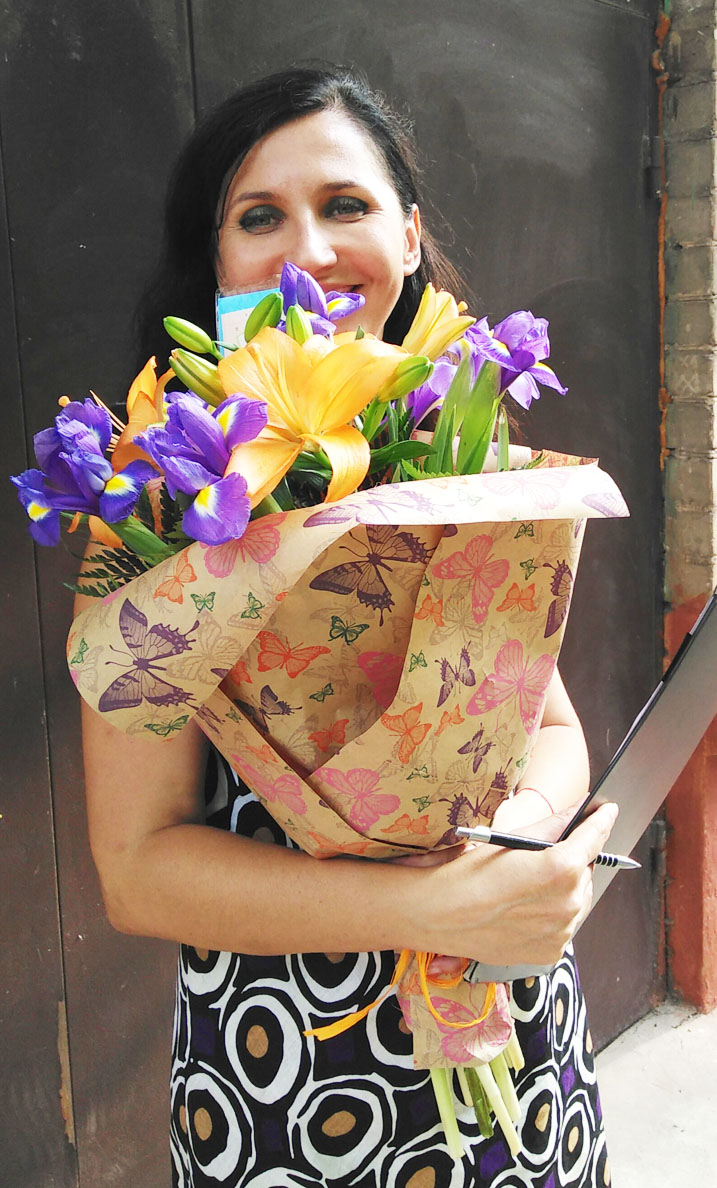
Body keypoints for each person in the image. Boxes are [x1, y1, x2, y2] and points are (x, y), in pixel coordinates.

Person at [77, 66, 618, 1187]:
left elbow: (552, 729)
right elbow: (137, 869)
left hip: (509, 1012)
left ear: (409, 237)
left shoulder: (467, 457)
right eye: (258, 217)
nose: (308, 252)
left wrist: (512, 845)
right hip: (288, 1066)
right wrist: (431, 905)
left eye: (345, 205)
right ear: (215, 264)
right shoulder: (160, 508)